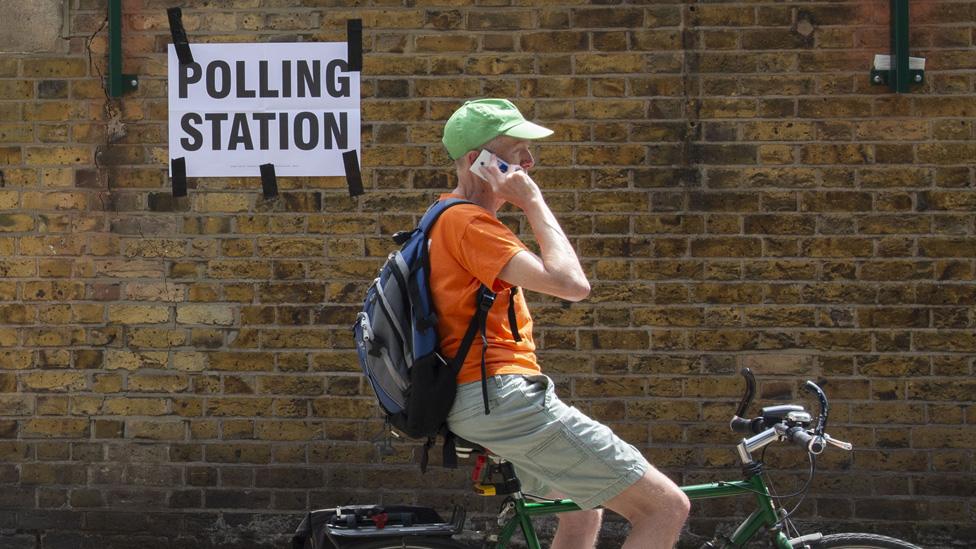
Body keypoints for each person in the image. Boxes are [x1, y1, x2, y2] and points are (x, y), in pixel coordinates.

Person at [429, 98, 690, 549]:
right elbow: (572, 283)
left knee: (581, 507)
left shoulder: (442, 216)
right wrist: (533, 201)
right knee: (666, 507)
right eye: (515, 150)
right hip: (500, 398)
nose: (529, 162)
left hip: (477, 398)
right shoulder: (469, 223)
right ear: (478, 161)